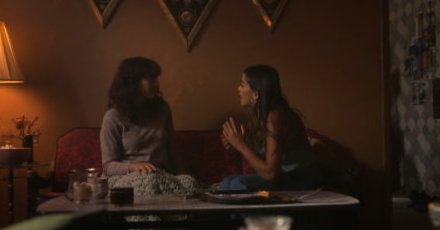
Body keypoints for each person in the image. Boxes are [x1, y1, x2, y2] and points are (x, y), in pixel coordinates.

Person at [100, 56, 199, 197]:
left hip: (160, 175)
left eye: (156, 78)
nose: (157, 84)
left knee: (189, 182)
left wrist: (182, 178)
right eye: (151, 79)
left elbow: (173, 151)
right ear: (134, 82)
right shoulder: (113, 117)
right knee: (149, 181)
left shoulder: (162, 109)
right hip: (124, 178)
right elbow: (108, 166)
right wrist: (133, 167)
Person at [220, 64, 319, 191]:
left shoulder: (275, 117)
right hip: (283, 177)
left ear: (255, 94)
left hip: (300, 180)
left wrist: (241, 145)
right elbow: (267, 162)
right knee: (227, 182)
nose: (238, 88)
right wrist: (240, 145)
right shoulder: (262, 116)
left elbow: (270, 174)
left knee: (237, 184)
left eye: (242, 85)